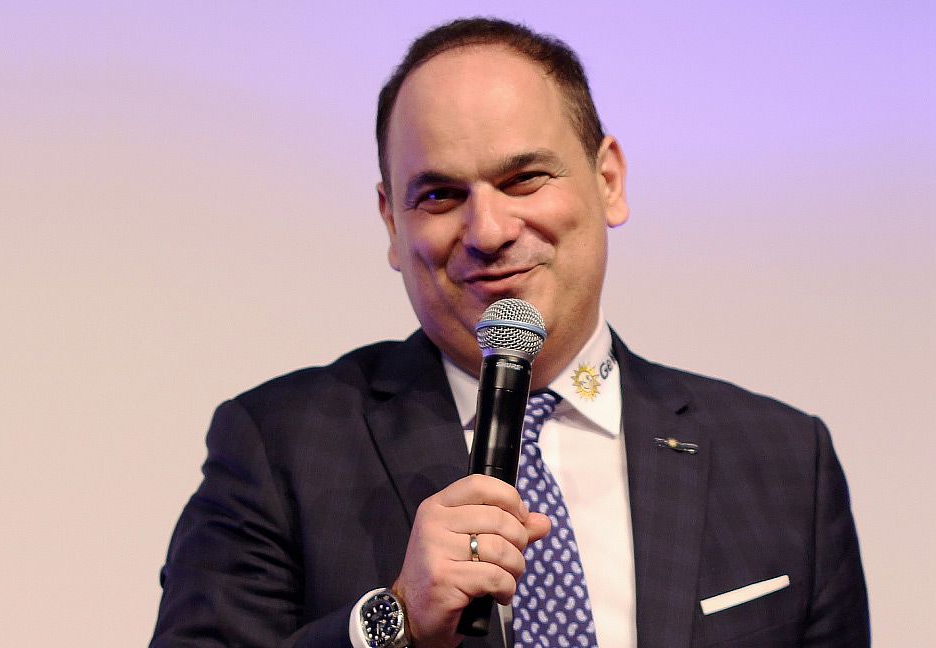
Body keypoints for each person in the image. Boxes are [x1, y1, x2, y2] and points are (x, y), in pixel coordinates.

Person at [151, 17, 868, 648]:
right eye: (440, 195)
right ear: (392, 224)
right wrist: (396, 622)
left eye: (524, 179)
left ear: (609, 181)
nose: (488, 231)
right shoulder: (280, 447)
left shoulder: (783, 460)